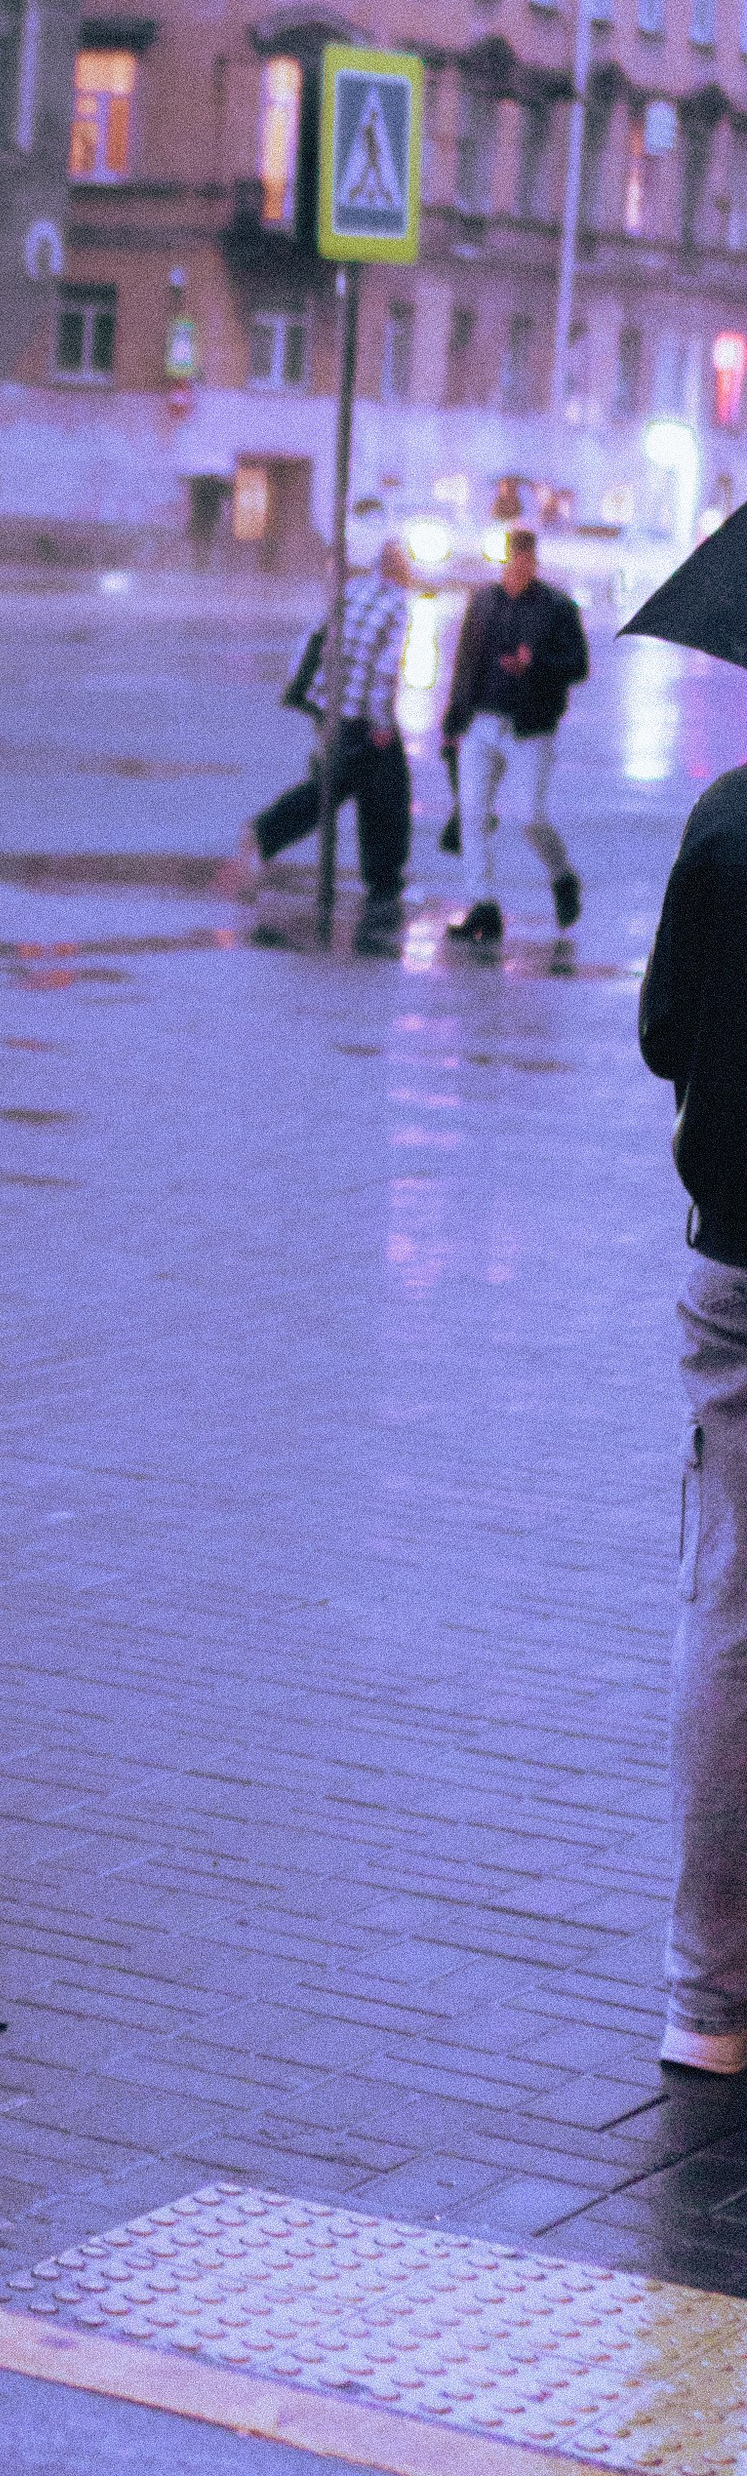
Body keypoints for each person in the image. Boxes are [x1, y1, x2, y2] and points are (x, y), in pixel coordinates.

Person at [640, 761, 747, 2070]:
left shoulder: (726, 816)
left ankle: (709, 2001)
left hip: (738, 1256)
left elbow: (667, 1033)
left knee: (728, 1606)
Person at [225, 536, 415, 923]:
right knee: (374, 791)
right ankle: (268, 833)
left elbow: (313, 640)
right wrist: (381, 722)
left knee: (351, 785)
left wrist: (317, 703)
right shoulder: (396, 605)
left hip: (333, 709)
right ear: (403, 571)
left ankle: (380, 879)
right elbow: (385, 670)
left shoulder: (354, 591)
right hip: (363, 715)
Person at [439, 526, 589, 942]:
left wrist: (536, 662)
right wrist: (453, 723)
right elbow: (465, 663)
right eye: (513, 559)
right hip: (482, 721)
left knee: (529, 815)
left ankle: (562, 876)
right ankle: (482, 905)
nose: (520, 567)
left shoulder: (557, 607)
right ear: (505, 560)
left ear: (535, 561)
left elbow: (579, 665)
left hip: (530, 728)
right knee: (472, 813)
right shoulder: (484, 601)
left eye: (527, 559)